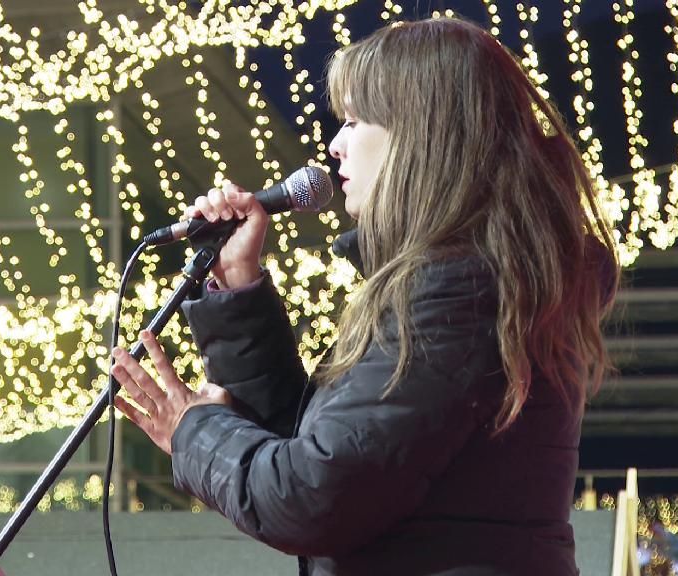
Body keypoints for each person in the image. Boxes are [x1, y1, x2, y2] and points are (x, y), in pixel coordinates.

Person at [110, 17, 619, 576]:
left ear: (420, 135)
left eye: (354, 121)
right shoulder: (463, 283)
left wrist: (196, 430)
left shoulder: (461, 293)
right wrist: (240, 290)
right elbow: (321, 450)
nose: (335, 144)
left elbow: (312, 498)